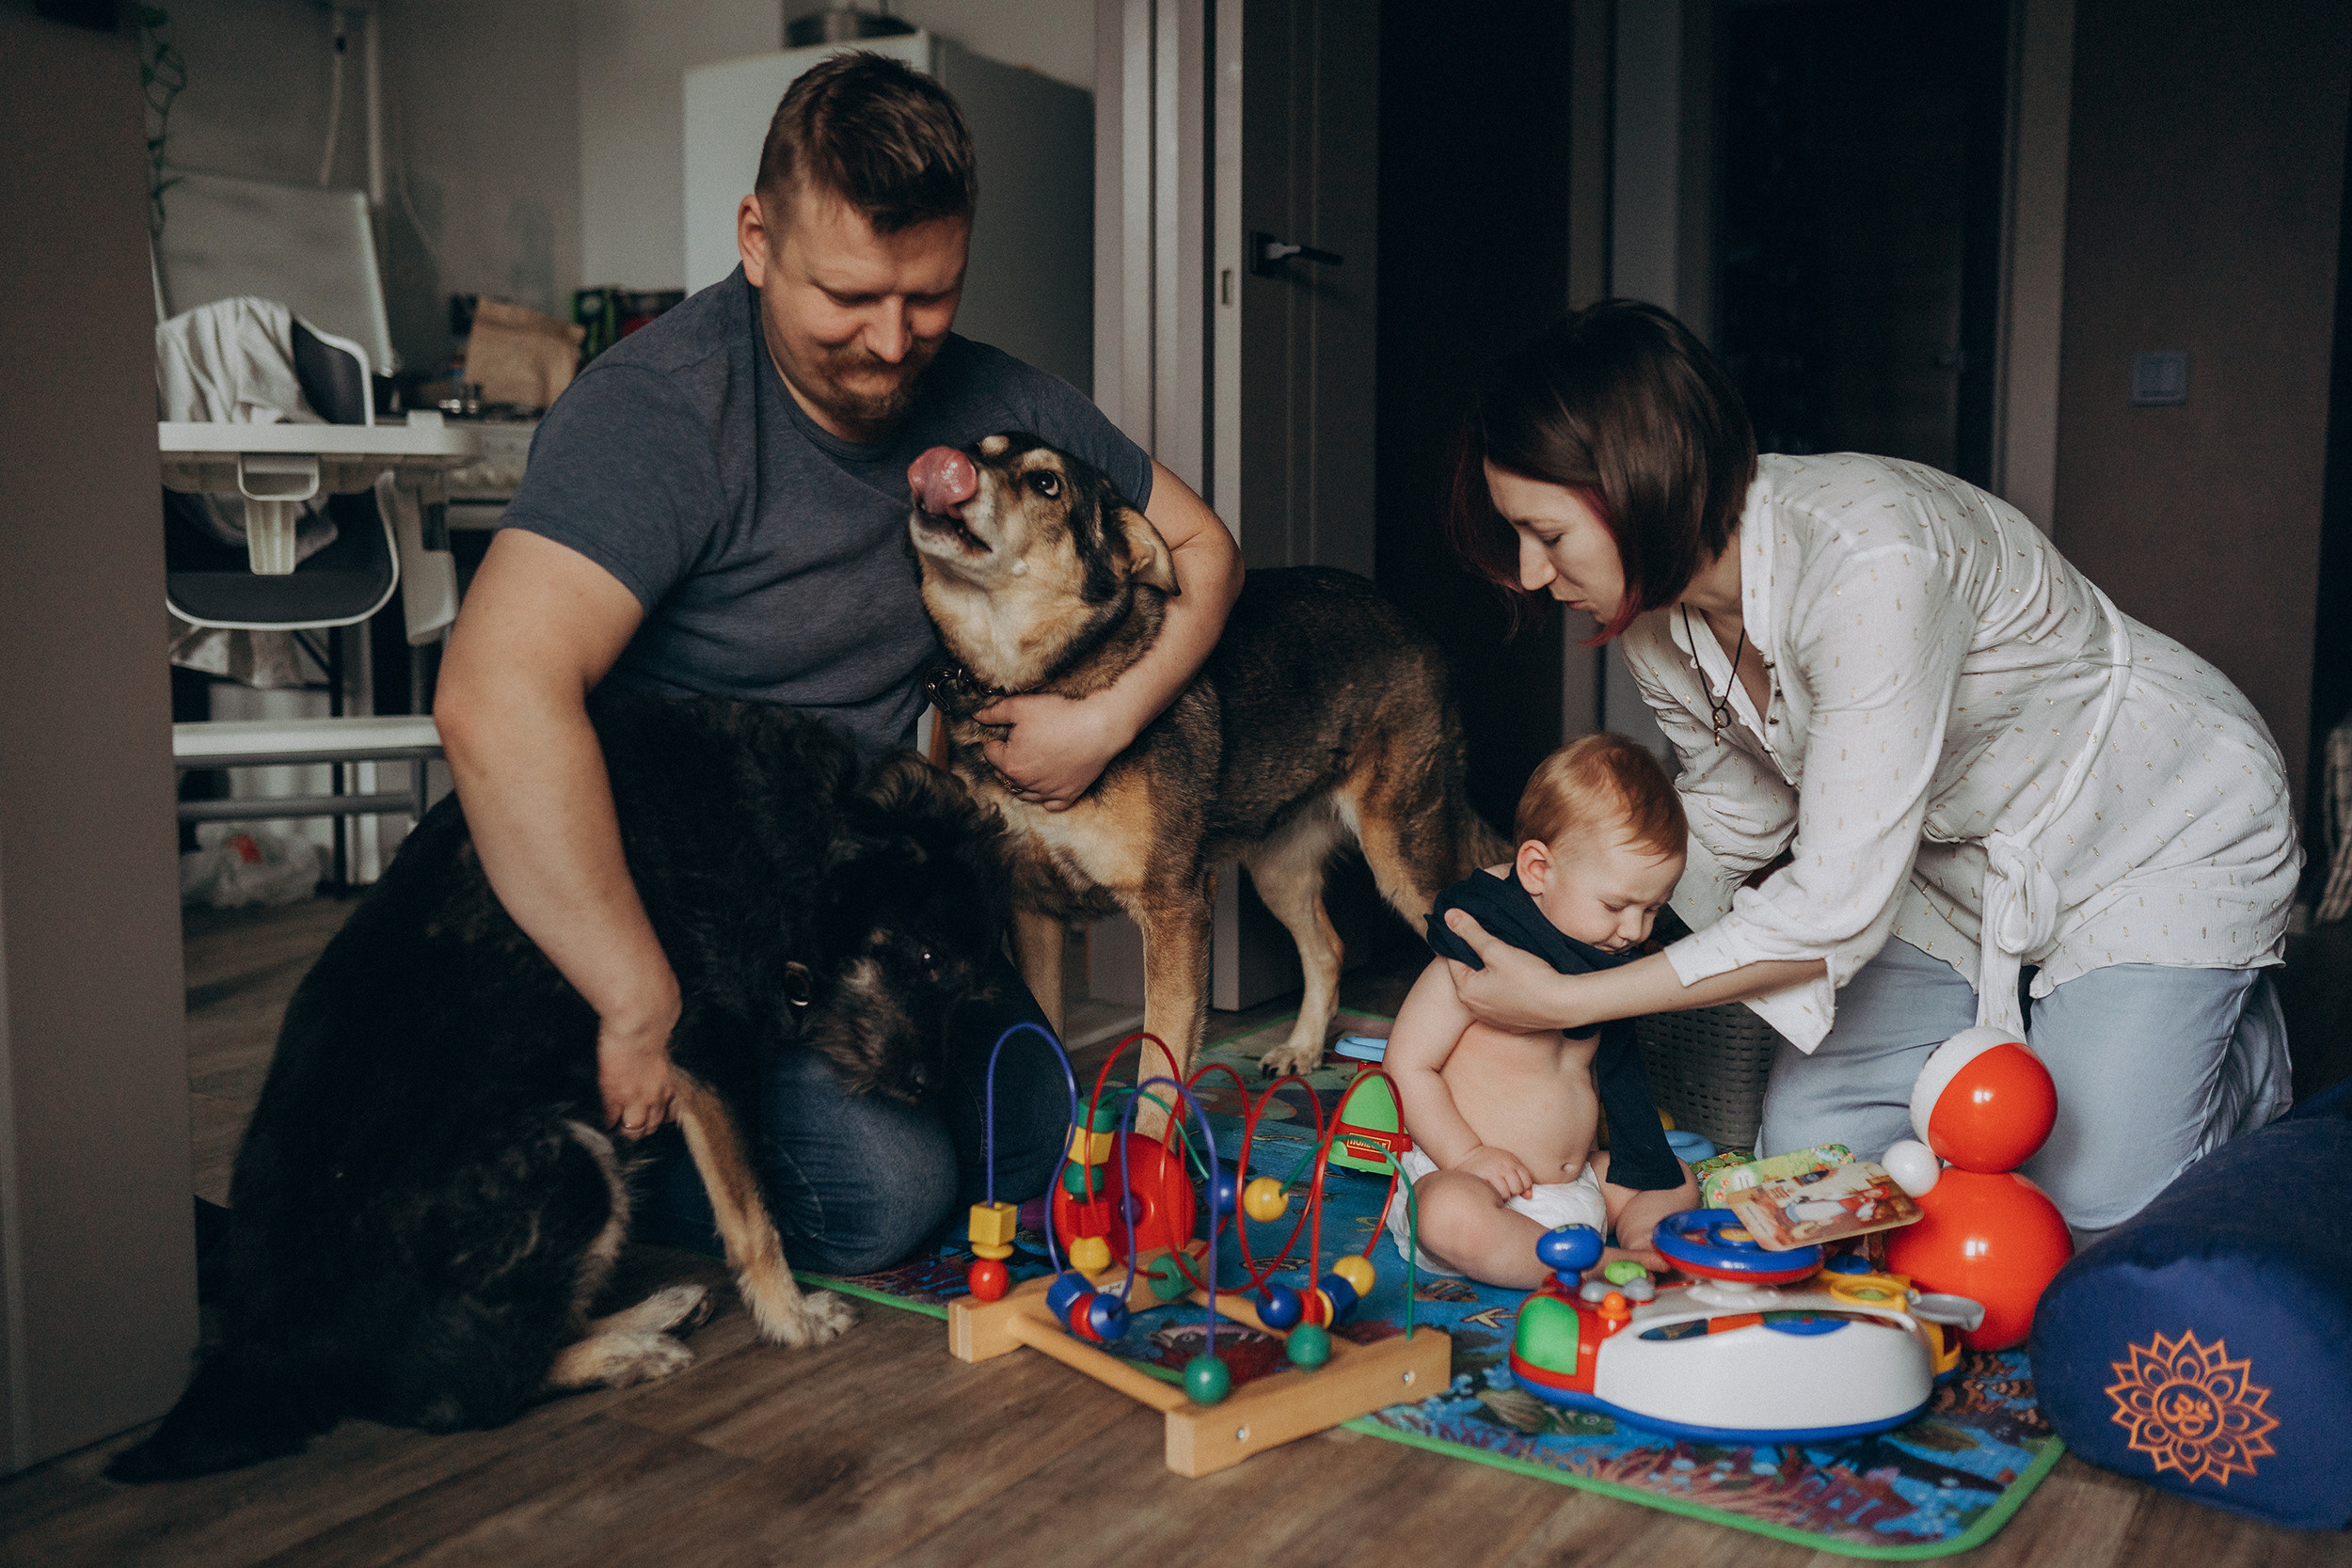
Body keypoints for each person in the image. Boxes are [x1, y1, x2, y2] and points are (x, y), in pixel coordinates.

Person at [433, 54, 1242, 1274]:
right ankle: (570, 1154)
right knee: (883, 1198)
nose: (892, 341)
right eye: (850, 295)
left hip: (856, 897)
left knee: (1034, 1135)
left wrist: (1107, 719)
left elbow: (1204, 549)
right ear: (757, 240)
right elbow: (492, 697)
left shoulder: (995, 400)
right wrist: (633, 992)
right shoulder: (657, 413)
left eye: (930, 295)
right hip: (680, 912)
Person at [1434, 300, 2296, 1243]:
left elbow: (1831, 907)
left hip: (2160, 828)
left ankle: (2233, 1054)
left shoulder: (1871, 563)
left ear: (1639, 488)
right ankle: (2070, 1031)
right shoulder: (1655, 619)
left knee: (2086, 1208)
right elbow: (1733, 806)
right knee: (1811, 1167)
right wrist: (1550, 904)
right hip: (1943, 860)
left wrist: (1567, 998)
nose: (1530, 572)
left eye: (1547, 535)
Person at [1383, 735, 1699, 1288]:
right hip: (1476, 1182)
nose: (1635, 930)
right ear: (1536, 869)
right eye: (1616, 905)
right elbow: (1405, 1067)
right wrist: (1467, 1155)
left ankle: (1643, 1247)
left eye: (1653, 908)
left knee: (1673, 1177)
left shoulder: (1597, 968)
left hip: (1575, 1186)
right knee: (1445, 1213)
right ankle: (1593, 1264)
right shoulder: (1476, 962)